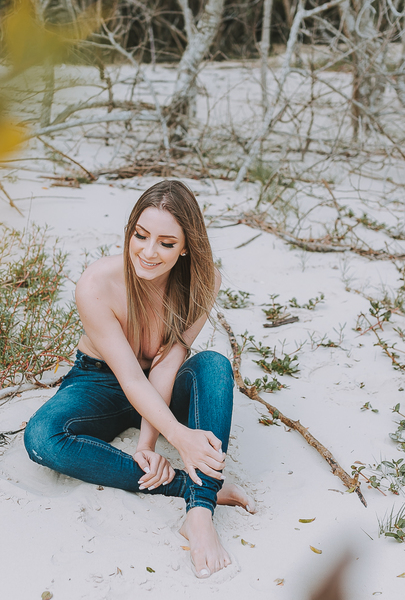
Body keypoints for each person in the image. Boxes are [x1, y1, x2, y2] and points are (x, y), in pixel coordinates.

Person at [24, 179, 253, 578]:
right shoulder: (96, 284)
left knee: (213, 364)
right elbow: (130, 378)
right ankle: (188, 485)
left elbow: (168, 361)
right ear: (130, 230)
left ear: (186, 246)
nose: (148, 252)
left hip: (161, 386)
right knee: (43, 438)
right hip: (102, 382)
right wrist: (175, 440)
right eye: (141, 235)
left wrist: (148, 442)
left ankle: (200, 512)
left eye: (166, 243)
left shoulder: (203, 280)